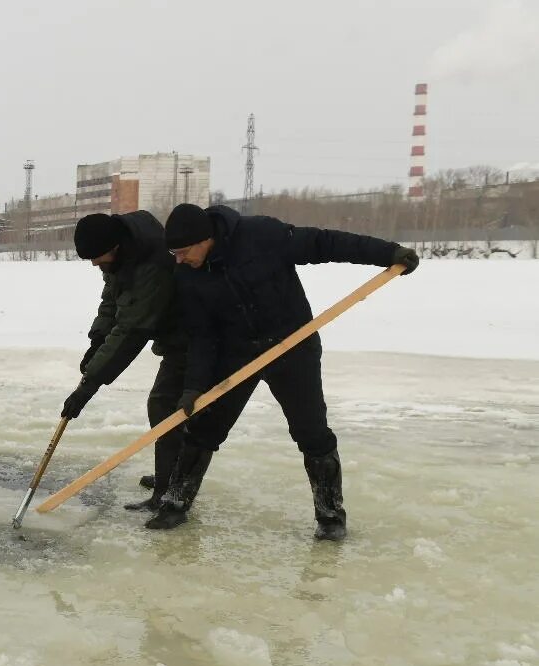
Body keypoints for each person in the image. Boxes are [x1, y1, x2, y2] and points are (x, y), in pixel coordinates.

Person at [149, 203, 419, 539]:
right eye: (173, 253)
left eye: (183, 251)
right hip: (237, 354)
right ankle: (175, 503)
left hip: (293, 345)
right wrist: (194, 387)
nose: (179, 259)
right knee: (204, 428)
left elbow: (325, 243)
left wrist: (388, 252)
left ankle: (330, 515)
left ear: (205, 239)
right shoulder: (188, 275)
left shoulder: (262, 235)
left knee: (312, 432)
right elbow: (203, 335)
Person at [59, 211, 187, 511]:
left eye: (97, 257)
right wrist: (97, 339)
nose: (94, 264)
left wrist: (88, 385)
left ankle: (171, 490)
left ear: (115, 245)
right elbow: (113, 297)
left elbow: (131, 330)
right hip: (172, 331)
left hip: (194, 334)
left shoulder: (152, 264)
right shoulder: (122, 253)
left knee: (167, 406)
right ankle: (171, 477)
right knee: (164, 406)